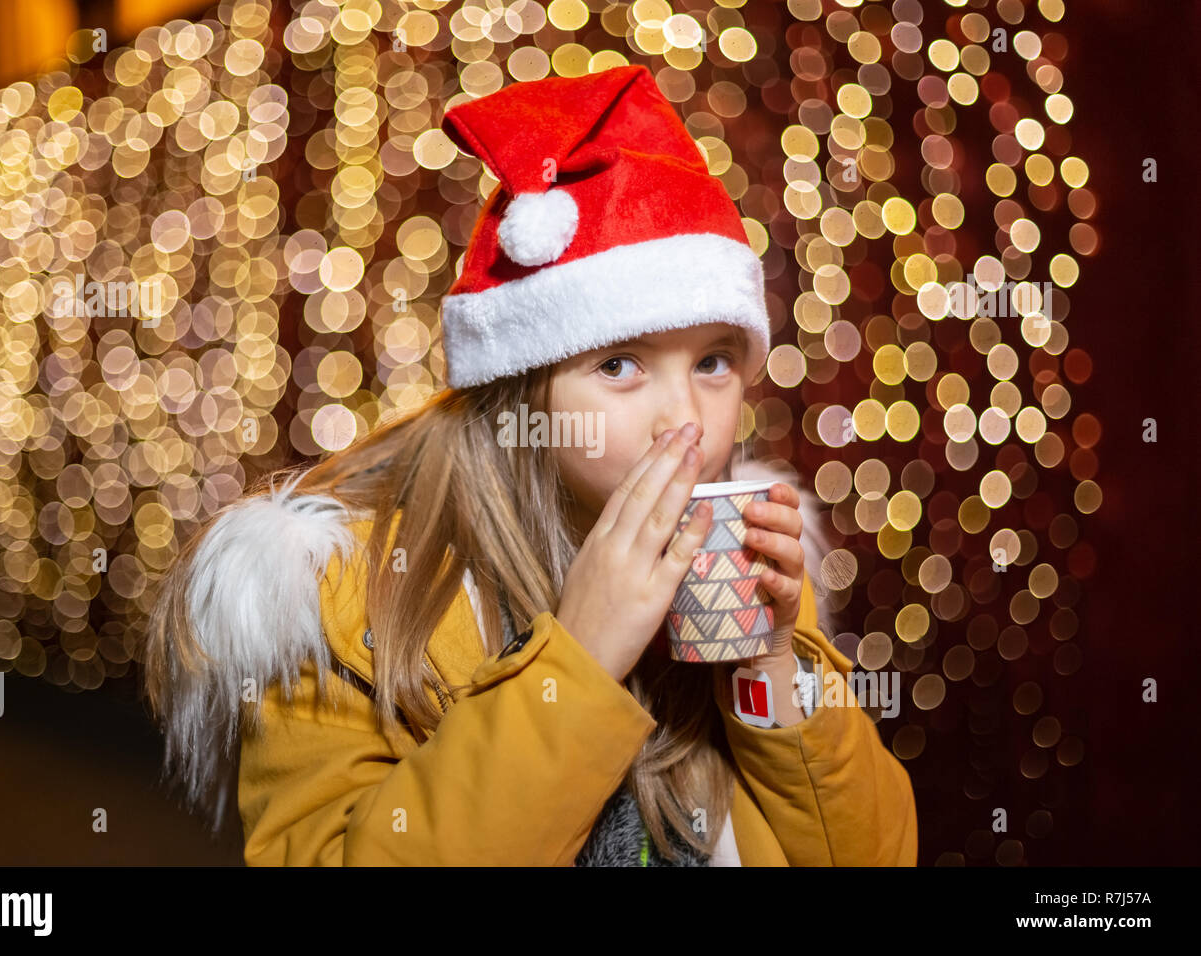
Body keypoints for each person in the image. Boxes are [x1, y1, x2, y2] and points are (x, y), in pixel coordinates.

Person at [143, 64, 917, 866]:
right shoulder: (343, 604)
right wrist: (577, 664)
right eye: (619, 365)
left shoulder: (747, 561)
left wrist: (769, 665)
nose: (685, 419)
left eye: (715, 362)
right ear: (520, 393)